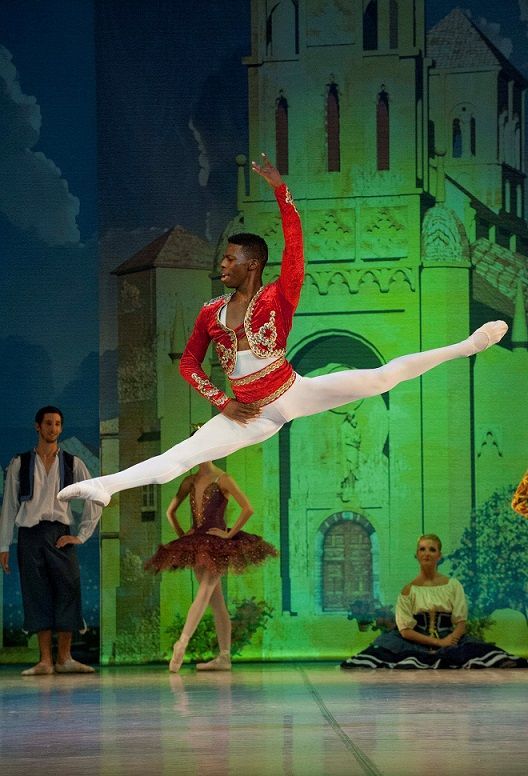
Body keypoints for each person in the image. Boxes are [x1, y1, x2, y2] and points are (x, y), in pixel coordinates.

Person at [57, 155, 508, 508]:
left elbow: (295, 243)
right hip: (249, 413)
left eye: (230, 259)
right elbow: (189, 364)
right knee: (181, 456)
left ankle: (467, 345)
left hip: (293, 392)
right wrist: (223, 402)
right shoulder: (210, 313)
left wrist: (280, 190)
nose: (222, 264)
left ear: (252, 264)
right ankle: (105, 487)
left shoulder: (280, 295)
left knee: (382, 377)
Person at [144, 459, 277, 672]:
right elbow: (170, 512)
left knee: (207, 591)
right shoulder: (193, 481)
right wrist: (184, 537)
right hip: (204, 544)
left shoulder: (220, 479)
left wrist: (228, 535)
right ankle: (224, 657)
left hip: (212, 544)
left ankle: (183, 642)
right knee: (215, 602)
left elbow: (248, 509)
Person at [0, 406, 102, 675]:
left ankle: (65, 658)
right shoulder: (20, 463)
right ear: (38, 426)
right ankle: (45, 660)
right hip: (30, 535)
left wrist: (81, 535)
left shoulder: (72, 463)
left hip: (59, 534)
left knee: (68, 589)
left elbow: (95, 496)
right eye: (48, 423)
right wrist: (3, 544)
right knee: (36, 594)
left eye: (57, 424)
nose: (53, 428)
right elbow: (9, 506)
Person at [340, 534, 527, 669]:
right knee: (379, 652)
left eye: (432, 549)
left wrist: (450, 641)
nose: (427, 553)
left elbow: (461, 622)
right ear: (416, 555)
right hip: (416, 641)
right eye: (422, 549)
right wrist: (438, 643)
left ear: (439, 555)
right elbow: (405, 631)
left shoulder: (453, 585)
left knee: (482, 653)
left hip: (450, 637)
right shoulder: (408, 590)